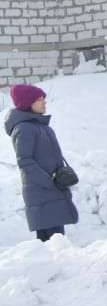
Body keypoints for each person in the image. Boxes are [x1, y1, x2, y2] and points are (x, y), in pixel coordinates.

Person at [6, 85, 78, 242]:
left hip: (52, 191)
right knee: (50, 244)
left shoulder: (41, 127)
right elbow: (24, 161)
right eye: (39, 99)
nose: (44, 102)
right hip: (41, 192)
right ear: (27, 103)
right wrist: (49, 181)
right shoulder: (24, 129)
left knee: (57, 241)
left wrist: (60, 175)